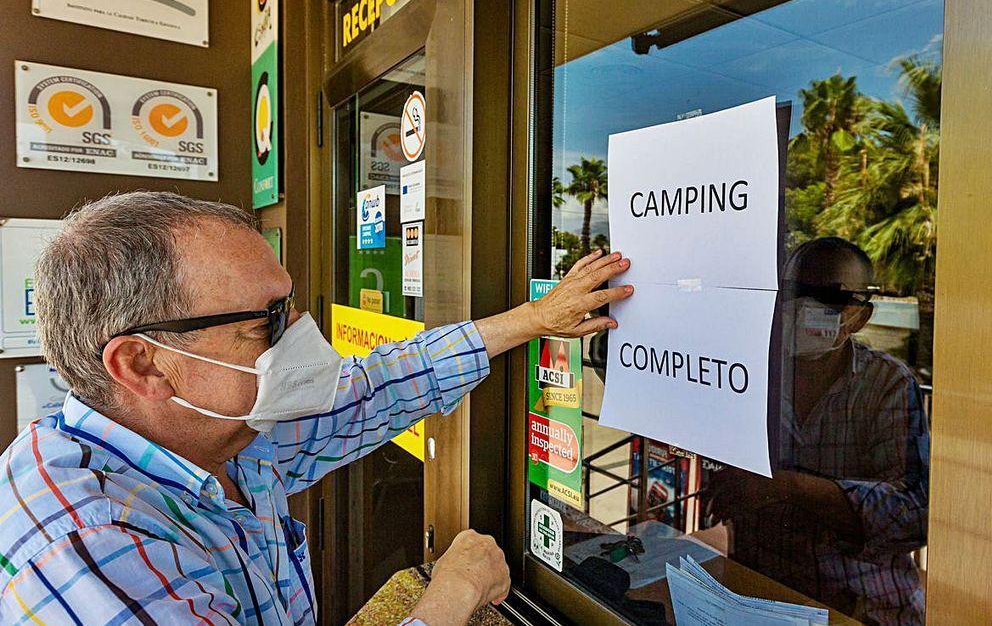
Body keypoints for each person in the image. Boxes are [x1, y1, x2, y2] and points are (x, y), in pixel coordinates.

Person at [0, 192, 633, 625]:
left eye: (290, 301)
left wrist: (531, 319)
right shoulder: (87, 549)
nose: (301, 329)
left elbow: (379, 388)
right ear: (142, 364)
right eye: (267, 320)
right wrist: (452, 596)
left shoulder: (220, 438)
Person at [708, 237, 929, 626]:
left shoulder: (888, 384)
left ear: (860, 316)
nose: (806, 308)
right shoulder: (746, 375)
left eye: (829, 297)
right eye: (795, 292)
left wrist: (783, 485)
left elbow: (914, 513)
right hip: (760, 600)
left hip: (866, 608)